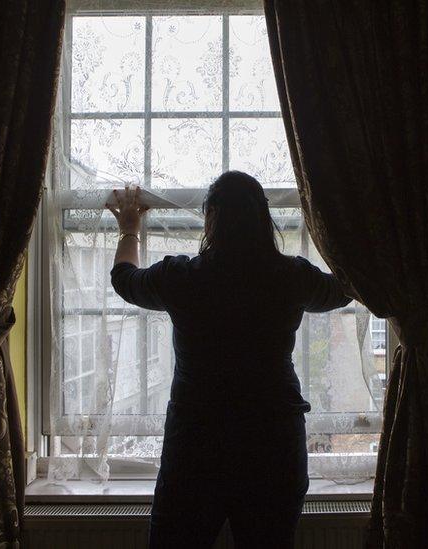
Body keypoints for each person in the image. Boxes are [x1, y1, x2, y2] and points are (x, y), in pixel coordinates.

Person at [107, 171, 351, 548]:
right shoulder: (290, 276)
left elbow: (125, 279)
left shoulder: (183, 277)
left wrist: (130, 228)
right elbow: (345, 289)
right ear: (263, 218)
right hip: (272, 441)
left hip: (197, 444)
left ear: (210, 218)